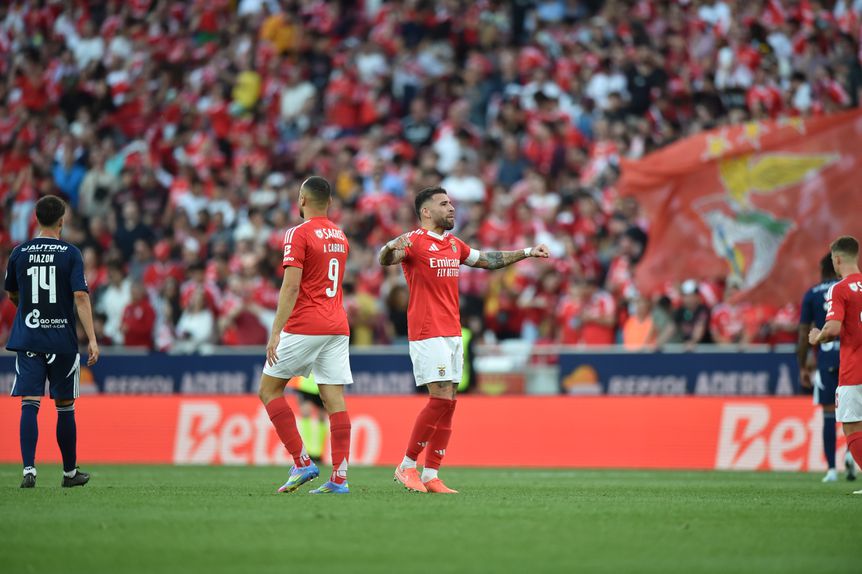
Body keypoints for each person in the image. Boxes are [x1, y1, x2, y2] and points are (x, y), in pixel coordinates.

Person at [379, 186, 549, 493]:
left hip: (453, 332)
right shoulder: (414, 242)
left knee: (450, 402)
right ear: (426, 212)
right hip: (427, 331)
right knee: (440, 398)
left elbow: (487, 260)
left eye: (451, 202)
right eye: (444, 204)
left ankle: (431, 474)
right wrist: (391, 245)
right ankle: (406, 466)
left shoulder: (453, 244)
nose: (452, 208)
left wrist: (526, 252)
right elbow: (386, 259)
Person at [257, 176, 353, 495]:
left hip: (306, 323)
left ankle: (301, 462)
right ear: (330, 202)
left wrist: (275, 332)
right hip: (337, 324)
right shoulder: (340, 235)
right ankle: (339, 478)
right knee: (333, 399)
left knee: (269, 390)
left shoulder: (298, 233)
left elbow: (292, 285)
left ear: (302, 199)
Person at [3, 196, 99, 488]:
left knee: (30, 403)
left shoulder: (19, 252)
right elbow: (80, 296)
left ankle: (28, 470)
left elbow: (12, 293)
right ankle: (69, 473)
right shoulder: (70, 253)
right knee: (65, 406)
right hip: (61, 339)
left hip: (29, 336)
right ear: (62, 220)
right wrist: (92, 339)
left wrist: (28, 308)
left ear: (35, 218)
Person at [809, 236, 862, 494]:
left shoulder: (839, 289)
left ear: (838, 259)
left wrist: (816, 336)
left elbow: (832, 329)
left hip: (854, 369)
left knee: (852, 426)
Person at [799, 253, 856, 482]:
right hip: (852, 355)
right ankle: (852, 454)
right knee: (856, 413)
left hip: (827, 358)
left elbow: (804, 332)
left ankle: (832, 469)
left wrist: (803, 364)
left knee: (828, 413)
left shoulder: (812, 294)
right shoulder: (851, 288)